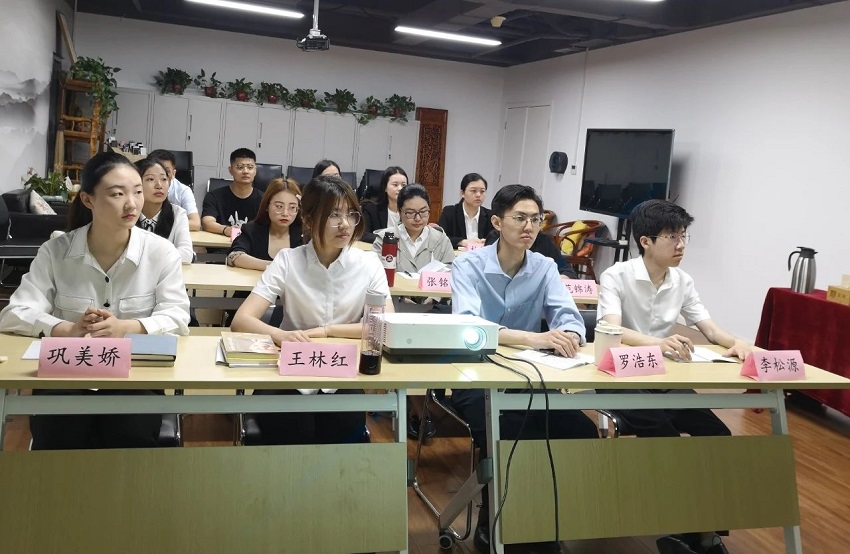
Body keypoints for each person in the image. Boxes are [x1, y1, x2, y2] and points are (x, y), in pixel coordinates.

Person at [0, 151, 190, 450]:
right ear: (88, 200)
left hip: (135, 377)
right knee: (60, 437)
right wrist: (66, 329)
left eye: (137, 191)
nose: (132, 203)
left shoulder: (161, 252)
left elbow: (178, 315)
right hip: (67, 375)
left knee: (129, 439)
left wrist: (127, 327)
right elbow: (15, 312)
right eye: (117, 193)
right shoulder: (56, 251)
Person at [597, 199, 752, 554]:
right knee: (664, 436)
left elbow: (709, 328)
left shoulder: (682, 280)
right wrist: (658, 343)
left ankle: (705, 532)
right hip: (623, 378)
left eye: (684, 236)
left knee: (717, 434)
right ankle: (682, 525)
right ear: (646, 241)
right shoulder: (616, 275)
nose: (681, 244)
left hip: (664, 377)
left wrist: (740, 344)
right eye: (672, 236)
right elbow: (611, 330)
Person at [451, 184, 599, 554]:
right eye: (520, 218)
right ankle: (494, 521)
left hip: (530, 377)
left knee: (580, 431)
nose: (529, 226)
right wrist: (535, 338)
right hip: (476, 376)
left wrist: (569, 335)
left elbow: (570, 318)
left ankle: (544, 521)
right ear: (497, 222)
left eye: (535, 219)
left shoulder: (545, 267)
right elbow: (469, 326)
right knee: (508, 431)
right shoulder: (468, 265)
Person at [231, 175, 392, 445]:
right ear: (307, 219)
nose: (345, 224)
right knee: (294, 432)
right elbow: (241, 321)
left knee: (343, 434)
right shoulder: (288, 261)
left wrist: (327, 331)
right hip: (290, 370)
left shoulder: (368, 264)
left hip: (342, 373)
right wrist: (281, 336)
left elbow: (383, 324)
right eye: (333, 215)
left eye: (351, 214)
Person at [372, 184, 454, 274]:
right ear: (399, 212)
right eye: (410, 213)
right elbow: (375, 274)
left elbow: (450, 273)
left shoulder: (441, 239)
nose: (418, 218)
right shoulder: (384, 239)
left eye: (423, 212)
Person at [227, 178, 304, 271]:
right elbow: (234, 256)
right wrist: (275, 266)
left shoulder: (304, 234)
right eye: (279, 206)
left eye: (292, 207)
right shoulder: (252, 230)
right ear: (267, 206)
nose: (285, 213)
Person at [135, 158, 193, 264]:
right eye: (150, 179)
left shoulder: (178, 214)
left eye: (164, 179)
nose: (159, 185)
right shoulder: (128, 213)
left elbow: (186, 254)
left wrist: (146, 257)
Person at [201, 148, 263, 238]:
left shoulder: (264, 199)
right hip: (221, 245)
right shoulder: (214, 196)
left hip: (252, 245)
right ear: (230, 170)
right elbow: (207, 222)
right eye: (240, 167)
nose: (245, 171)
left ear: (255, 170)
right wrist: (225, 230)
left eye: (250, 167)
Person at [146, 149, 201, 231]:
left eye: (166, 171)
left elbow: (195, 223)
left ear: (173, 173)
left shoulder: (183, 191)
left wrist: (160, 223)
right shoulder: (141, 187)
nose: (162, 175)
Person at [438, 172, 494, 249]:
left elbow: (497, 240)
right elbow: (439, 238)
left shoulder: (490, 216)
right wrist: (463, 242)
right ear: (462, 193)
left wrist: (487, 242)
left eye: (482, 191)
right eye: (473, 191)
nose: (478, 195)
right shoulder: (449, 212)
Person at [360, 166, 408, 243]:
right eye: (395, 185)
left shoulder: (410, 212)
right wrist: (390, 241)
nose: (400, 188)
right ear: (385, 187)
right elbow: (363, 235)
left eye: (403, 185)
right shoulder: (371, 209)